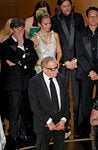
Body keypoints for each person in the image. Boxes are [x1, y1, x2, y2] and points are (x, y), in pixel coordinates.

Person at [1, 18, 38, 149]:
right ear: (12, 30)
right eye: (17, 29)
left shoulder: (29, 42)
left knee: (26, 111)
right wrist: (21, 49)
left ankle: (24, 136)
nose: (20, 31)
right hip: (13, 84)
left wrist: (20, 62)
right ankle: (14, 138)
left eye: (22, 29)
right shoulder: (6, 44)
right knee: (14, 112)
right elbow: (10, 59)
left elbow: (34, 59)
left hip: (27, 82)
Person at [76, 6, 98, 137]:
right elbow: (79, 54)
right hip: (86, 73)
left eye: (95, 16)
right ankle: (83, 129)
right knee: (85, 101)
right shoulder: (80, 32)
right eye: (90, 16)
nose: (93, 18)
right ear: (87, 17)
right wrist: (89, 71)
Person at [51, 0, 85, 130]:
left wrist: (75, 59)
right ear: (59, 7)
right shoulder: (54, 20)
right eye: (64, 6)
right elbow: (55, 43)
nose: (67, 8)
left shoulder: (78, 17)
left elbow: (82, 39)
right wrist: (64, 60)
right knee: (63, 94)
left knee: (77, 94)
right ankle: (65, 121)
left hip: (76, 62)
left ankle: (78, 121)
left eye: (69, 5)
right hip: (62, 62)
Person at [28, 56, 70, 150]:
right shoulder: (34, 82)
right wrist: (48, 121)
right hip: (43, 123)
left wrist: (63, 119)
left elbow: (66, 101)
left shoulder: (62, 79)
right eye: (53, 69)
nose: (57, 71)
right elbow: (34, 106)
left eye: (57, 67)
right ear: (44, 69)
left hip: (60, 123)